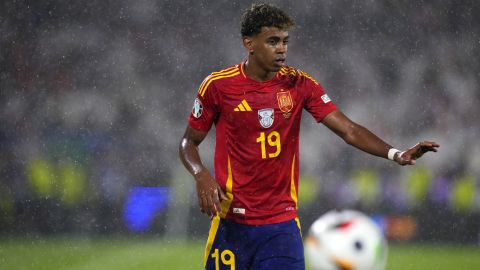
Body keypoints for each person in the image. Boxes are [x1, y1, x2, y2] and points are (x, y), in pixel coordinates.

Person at [179, 3, 439, 270]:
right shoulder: (218, 86)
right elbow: (189, 142)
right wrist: (201, 174)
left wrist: (395, 154)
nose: (282, 48)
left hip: (281, 227)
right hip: (230, 223)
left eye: (284, 41)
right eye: (272, 41)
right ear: (249, 43)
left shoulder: (299, 84)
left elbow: (348, 130)